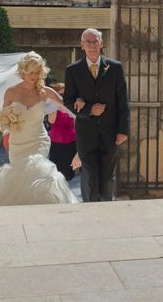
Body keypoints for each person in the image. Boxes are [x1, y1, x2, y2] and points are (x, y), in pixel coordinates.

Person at [0, 52, 77, 206]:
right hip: (18, 143)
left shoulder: (45, 92)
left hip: (38, 140)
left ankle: (41, 208)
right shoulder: (11, 92)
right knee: (19, 176)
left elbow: (69, 107)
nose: (34, 76)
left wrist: (86, 110)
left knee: (37, 170)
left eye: (37, 72)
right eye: (30, 72)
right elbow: (3, 120)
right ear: (22, 72)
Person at [64, 28, 129, 202]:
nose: (92, 45)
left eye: (95, 41)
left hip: (110, 134)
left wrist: (123, 130)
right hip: (86, 134)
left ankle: (107, 212)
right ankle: (90, 211)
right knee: (90, 177)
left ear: (101, 44)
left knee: (107, 178)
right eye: (88, 42)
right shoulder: (72, 70)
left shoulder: (115, 67)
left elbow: (123, 101)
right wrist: (89, 110)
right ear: (82, 45)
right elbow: (68, 101)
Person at [47, 82, 79, 181]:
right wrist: (55, 104)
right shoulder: (52, 107)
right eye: (60, 95)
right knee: (56, 171)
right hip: (56, 142)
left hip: (71, 142)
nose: (63, 97)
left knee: (69, 173)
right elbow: (51, 121)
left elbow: (76, 125)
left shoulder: (72, 107)